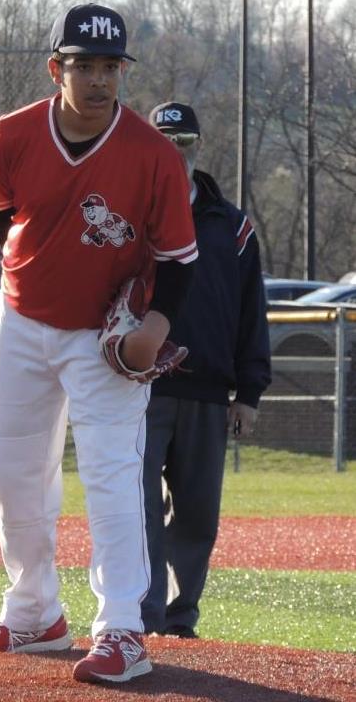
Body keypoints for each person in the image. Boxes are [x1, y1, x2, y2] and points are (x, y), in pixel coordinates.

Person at [0, 6, 199, 684]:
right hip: (23, 321)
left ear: (123, 70)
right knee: (14, 475)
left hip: (104, 336)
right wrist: (40, 275)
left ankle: (122, 628)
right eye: (82, 65)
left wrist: (153, 328)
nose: (97, 79)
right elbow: (4, 217)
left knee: (114, 477)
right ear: (55, 68)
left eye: (109, 66)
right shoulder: (6, 138)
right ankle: (33, 612)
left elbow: (180, 260)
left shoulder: (151, 154)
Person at [141, 101, 271, 638]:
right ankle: (138, 617)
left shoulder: (232, 226)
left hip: (208, 389)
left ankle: (179, 617)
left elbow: (251, 311)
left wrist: (250, 391)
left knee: (196, 515)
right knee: (136, 508)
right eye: (165, 142)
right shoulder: (127, 214)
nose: (175, 153)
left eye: (184, 143)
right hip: (137, 387)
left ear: (197, 148)